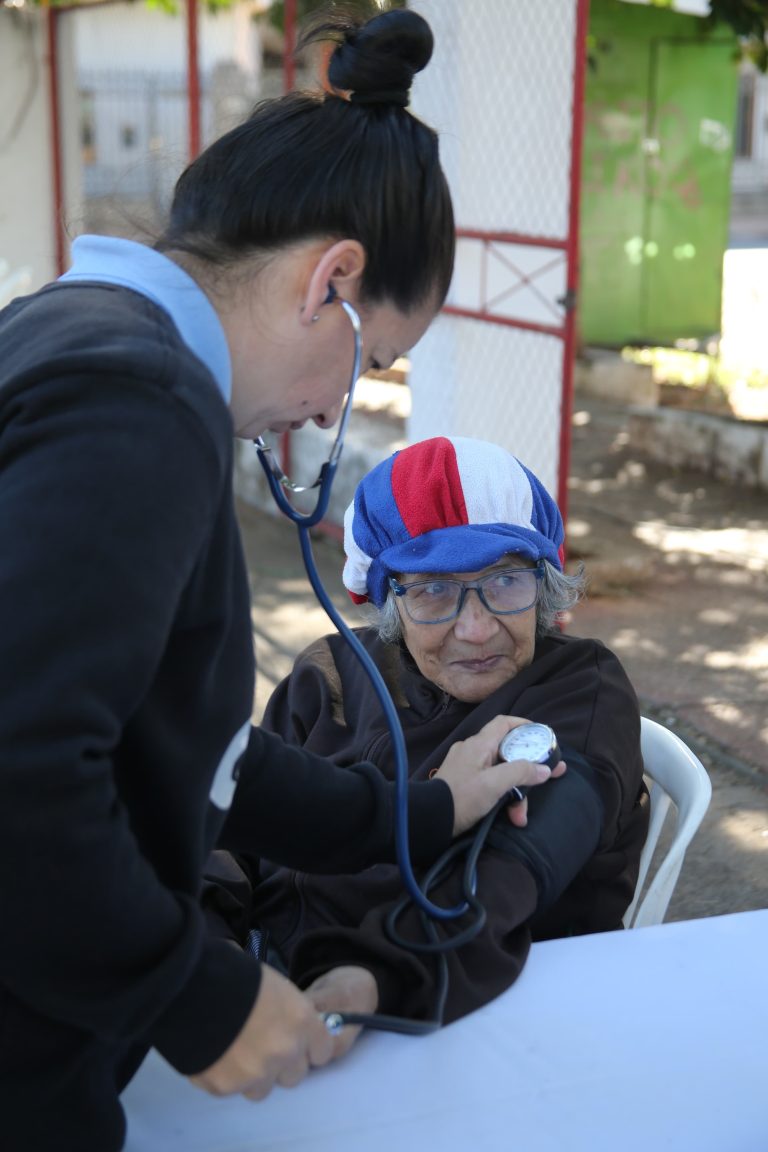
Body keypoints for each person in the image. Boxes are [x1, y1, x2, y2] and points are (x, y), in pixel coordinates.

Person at [0, 9, 555, 1152]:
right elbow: (20, 764)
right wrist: (194, 995)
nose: (330, 407)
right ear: (333, 282)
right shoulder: (139, 406)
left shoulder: (62, 332)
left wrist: (418, 809)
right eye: (375, 362)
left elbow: (190, 752)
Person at [203, 436, 649, 1030]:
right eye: (433, 589)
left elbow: (507, 873)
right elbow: (227, 830)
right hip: (265, 983)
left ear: (544, 584)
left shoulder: (579, 689)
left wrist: (368, 983)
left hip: (476, 1012)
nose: (475, 627)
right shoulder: (332, 674)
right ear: (387, 598)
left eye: (506, 581)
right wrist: (212, 953)